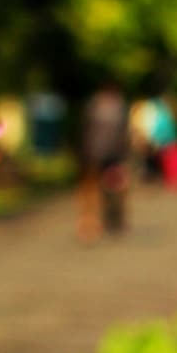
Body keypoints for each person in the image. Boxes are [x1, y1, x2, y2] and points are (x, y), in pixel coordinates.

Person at [78, 82, 130, 242]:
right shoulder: (120, 107)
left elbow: (85, 130)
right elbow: (124, 133)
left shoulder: (92, 106)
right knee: (115, 187)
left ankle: (90, 221)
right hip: (113, 154)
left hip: (92, 152)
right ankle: (114, 219)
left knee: (91, 188)